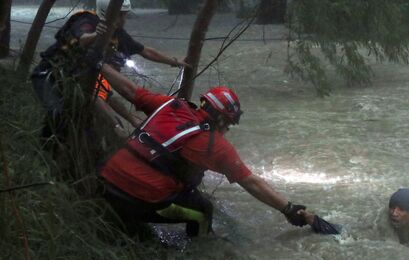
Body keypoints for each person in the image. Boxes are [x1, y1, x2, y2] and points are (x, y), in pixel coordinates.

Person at [96, 62, 309, 237]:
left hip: (105, 182)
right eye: (228, 123)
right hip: (137, 200)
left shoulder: (170, 105)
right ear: (221, 119)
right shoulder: (214, 145)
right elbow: (251, 183)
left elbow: (128, 90)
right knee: (204, 210)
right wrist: (288, 209)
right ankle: (200, 255)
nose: (227, 129)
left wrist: (99, 64)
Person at [31, 0, 187, 139]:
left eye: (125, 15)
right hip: (49, 74)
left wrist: (175, 62)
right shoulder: (85, 21)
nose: (124, 19)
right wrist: (96, 35)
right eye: (121, 15)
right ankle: (45, 150)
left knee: (99, 106)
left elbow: (145, 51)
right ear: (109, 13)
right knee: (57, 113)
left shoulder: (119, 35)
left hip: (80, 78)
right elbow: (81, 39)